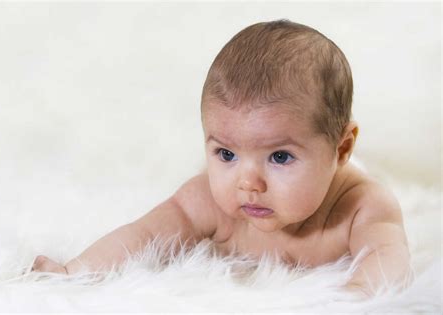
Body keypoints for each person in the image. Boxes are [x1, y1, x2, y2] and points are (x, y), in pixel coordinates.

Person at [31, 19, 412, 297]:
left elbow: (387, 264)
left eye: (279, 157)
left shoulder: (362, 207)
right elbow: (142, 235)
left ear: (342, 148)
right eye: (226, 153)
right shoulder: (209, 201)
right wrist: (73, 272)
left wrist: (350, 299)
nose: (249, 183)